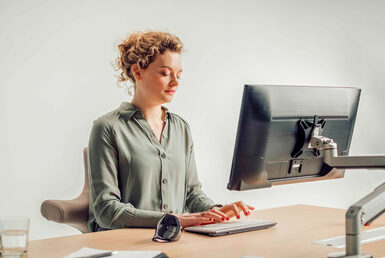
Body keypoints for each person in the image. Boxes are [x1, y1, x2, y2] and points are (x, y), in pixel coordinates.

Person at [87, 30, 254, 232]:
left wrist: (215, 211)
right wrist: (175, 219)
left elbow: (192, 194)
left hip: (175, 238)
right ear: (137, 72)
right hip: (126, 242)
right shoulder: (108, 127)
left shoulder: (180, 127)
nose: (175, 82)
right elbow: (106, 210)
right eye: (165, 73)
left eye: (179, 75)